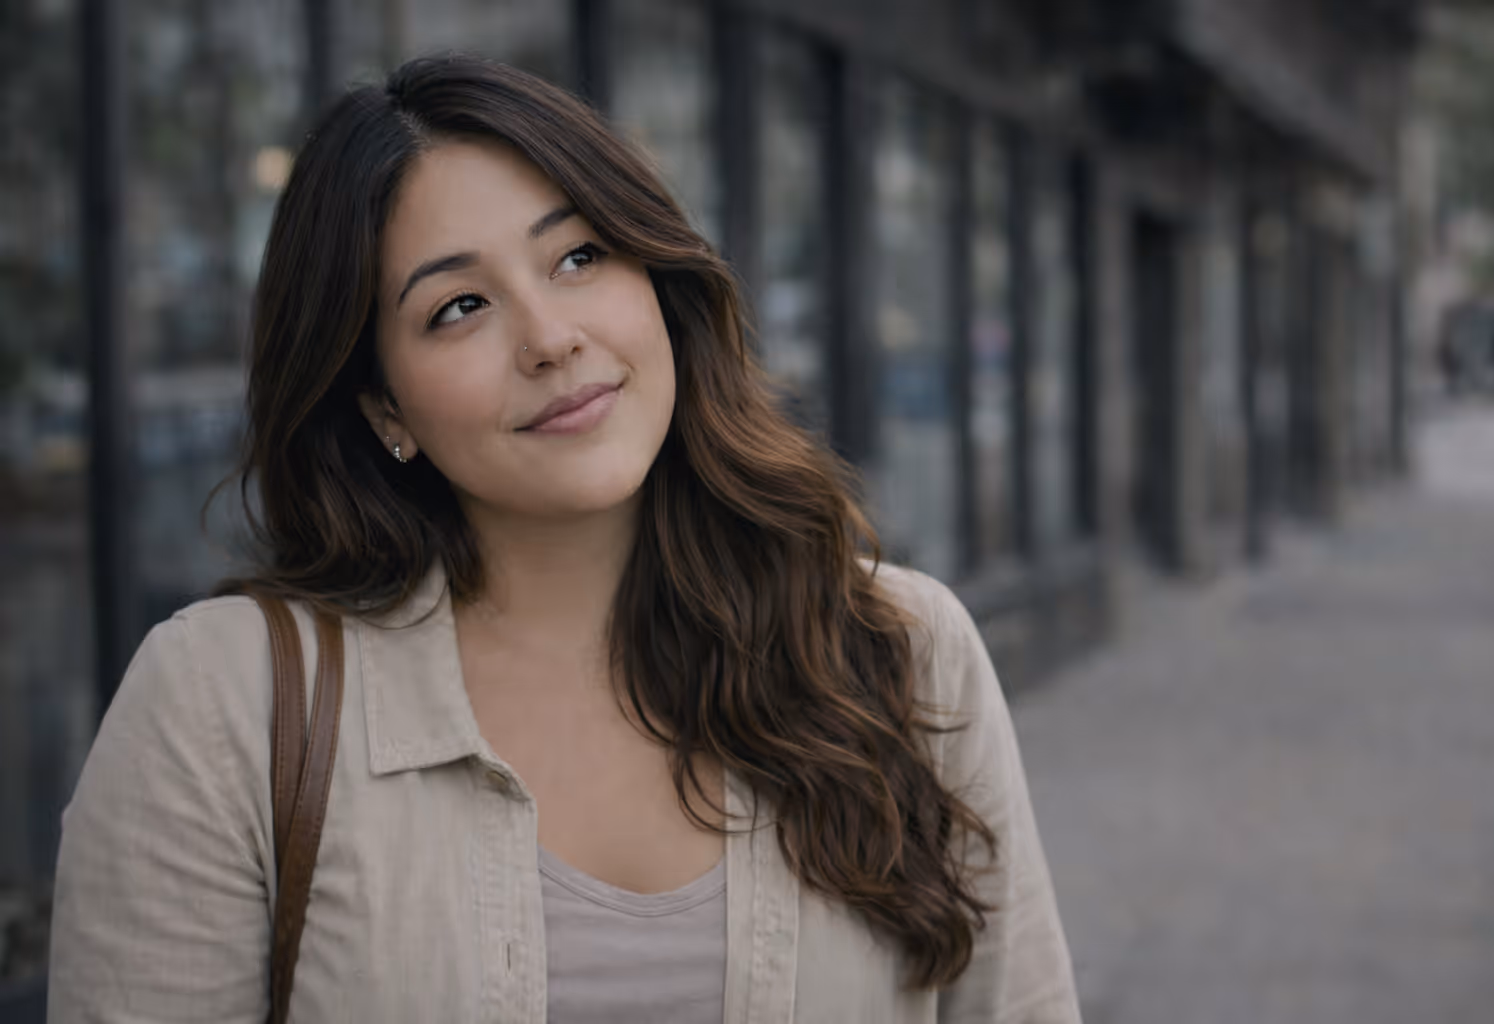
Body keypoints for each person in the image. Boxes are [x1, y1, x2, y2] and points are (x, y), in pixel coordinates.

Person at [47, 55, 1081, 1023]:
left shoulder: (898, 652)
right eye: (459, 307)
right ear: (383, 406)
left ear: (657, 280)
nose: (550, 339)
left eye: (580, 256)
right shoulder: (225, 706)